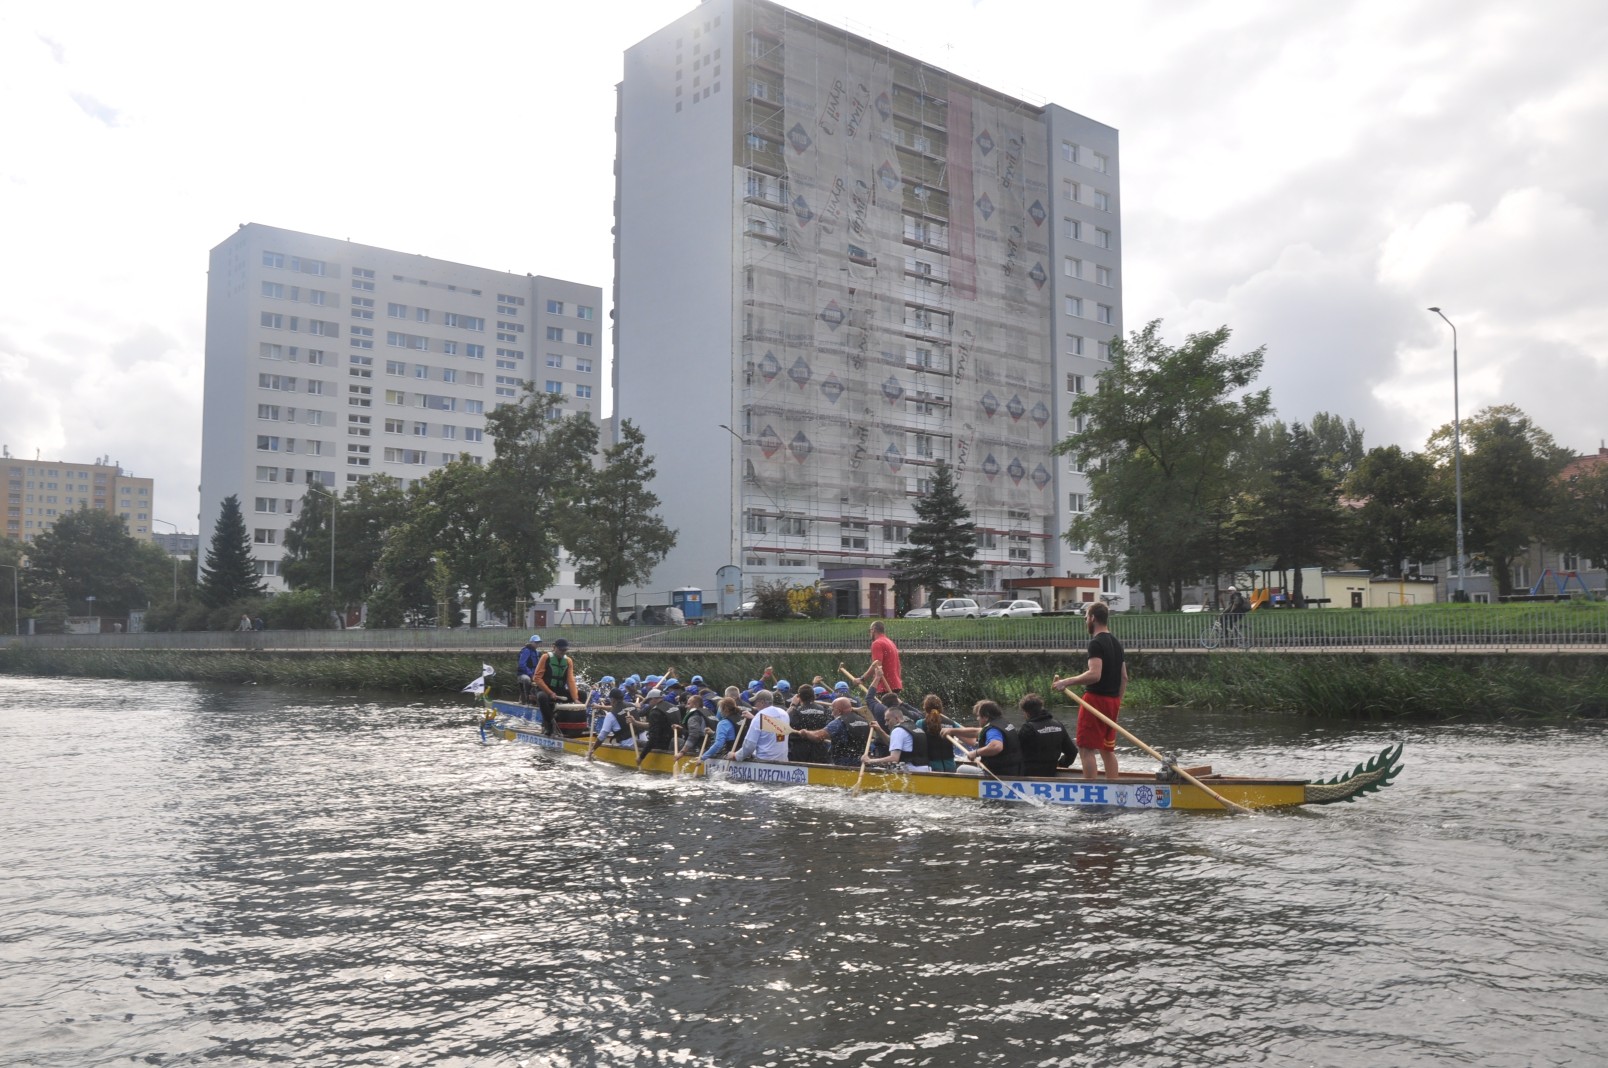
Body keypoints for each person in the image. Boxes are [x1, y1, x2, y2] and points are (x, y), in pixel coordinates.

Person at [1052, 600, 1128, 780]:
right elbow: (1124, 677)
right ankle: (1114, 786)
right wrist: (1117, 703)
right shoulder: (1117, 643)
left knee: (1086, 748)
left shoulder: (1096, 643)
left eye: (1086, 617)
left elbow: (1095, 675)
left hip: (1095, 700)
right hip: (1113, 701)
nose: (1085, 621)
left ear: (1093, 618)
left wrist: (1066, 682)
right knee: (1107, 749)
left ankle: (1090, 788)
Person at [944, 700, 1024, 778]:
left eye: (978, 716)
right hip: (1014, 770)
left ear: (986, 717)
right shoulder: (1003, 723)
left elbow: (996, 747)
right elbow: (976, 732)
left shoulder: (993, 730)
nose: (977, 719)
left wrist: (975, 753)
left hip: (998, 774)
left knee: (961, 769)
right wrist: (952, 731)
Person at [1016, 693, 1077, 777]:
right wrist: (1061, 765)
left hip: (1030, 773)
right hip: (1052, 771)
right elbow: (1072, 752)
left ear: (1026, 712)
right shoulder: (1058, 725)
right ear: (1041, 707)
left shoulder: (1028, 728)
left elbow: (1015, 752)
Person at [860, 701, 928, 772]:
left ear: (896, 719)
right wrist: (879, 730)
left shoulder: (898, 730)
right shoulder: (914, 726)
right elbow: (892, 742)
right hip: (925, 770)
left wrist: (870, 761)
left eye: (887, 720)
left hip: (911, 770)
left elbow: (894, 759)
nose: (886, 724)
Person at [533, 637, 580, 737]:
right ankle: (549, 724)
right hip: (545, 690)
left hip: (559, 691)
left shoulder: (568, 661)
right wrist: (550, 693)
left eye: (565, 650)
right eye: (561, 649)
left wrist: (575, 698)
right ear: (554, 647)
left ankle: (572, 724)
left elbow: (570, 680)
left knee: (582, 695)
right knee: (542, 697)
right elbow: (537, 678)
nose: (563, 652)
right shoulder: (545, 657)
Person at [731, 689, 790, 764]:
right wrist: (753, 718)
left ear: (762, 702)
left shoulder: (759, 717)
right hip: (783, 760)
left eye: (756, 702)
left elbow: (749, 746)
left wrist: (735, 756)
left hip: (764, 762)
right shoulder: (784, 713)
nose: (755, 706)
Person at [858, 620, 902, 700]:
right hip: (895, 684)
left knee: (877, 706)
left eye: (870, 630)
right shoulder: (890, 642)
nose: (869, 633)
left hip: (885, 686)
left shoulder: (877, 643)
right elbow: (899, 665)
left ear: (873, 630)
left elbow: (877, 664)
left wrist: (862, 679)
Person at [918, 694, 959, 772]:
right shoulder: (951, 723)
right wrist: (952, 722)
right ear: (941, 708)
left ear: (925, 708)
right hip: (951, 766)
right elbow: (970, 740)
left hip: (932, 766)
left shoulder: (920, 723)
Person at [587, 688, 633, 756]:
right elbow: (614, 708)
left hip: (628, 744)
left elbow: (602, 737)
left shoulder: (610, 715)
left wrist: (591, 751)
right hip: (642, 739)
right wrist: (599, 706)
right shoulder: (631, 705)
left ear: (613, 699)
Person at [699, 697, 744, 761]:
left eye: (719, 708)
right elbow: (731, 735)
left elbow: (718, 744)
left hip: (730, 756)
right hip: (743, 754)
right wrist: (713, 733)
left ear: (725, 709)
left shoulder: (723, 723)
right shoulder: (742, 719)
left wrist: (702, 757)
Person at [516, 635, 543, 703]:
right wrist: (531, 674)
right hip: (523, 674)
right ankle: (526, 699)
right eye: (536, 642)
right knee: (527, 679)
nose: (537, 644)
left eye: (538, 642)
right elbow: (522, 665)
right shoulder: (526, 651)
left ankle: (536, 700)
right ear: (531, 642)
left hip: (534, 674)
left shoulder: (537, 652)